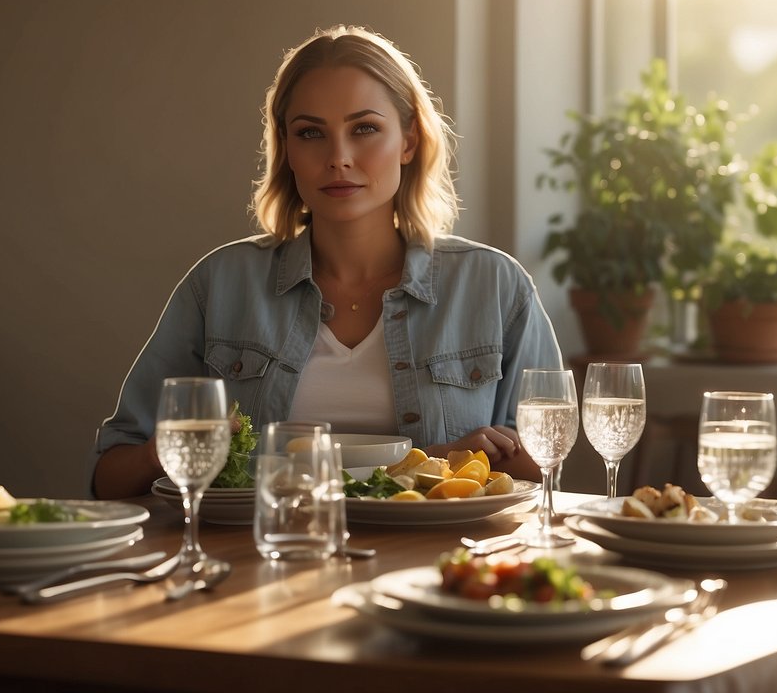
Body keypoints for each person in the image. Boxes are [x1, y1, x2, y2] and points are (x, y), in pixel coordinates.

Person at [91, 25, 563, 499]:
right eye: (311, 133)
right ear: (287, 149)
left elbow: (546, 469)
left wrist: (466, 461)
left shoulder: (495, 285)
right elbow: (108, 477)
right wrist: (166, 451)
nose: (338, 158)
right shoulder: (219, 284)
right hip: (263, 559)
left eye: (364, 129)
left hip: (433, 564)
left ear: (409, 142)